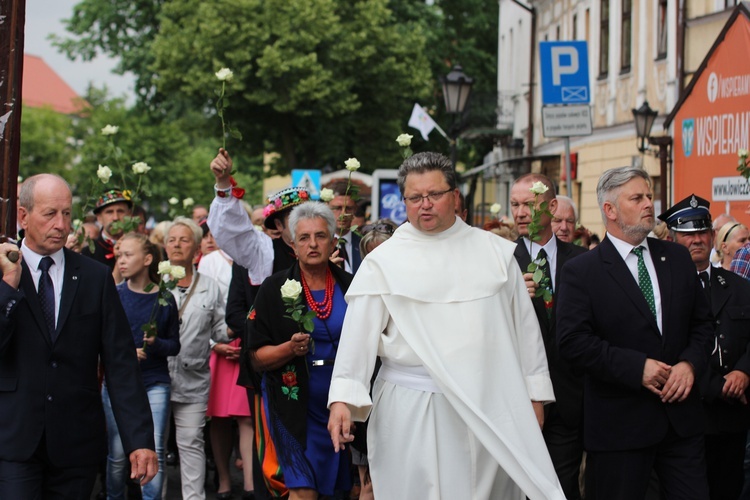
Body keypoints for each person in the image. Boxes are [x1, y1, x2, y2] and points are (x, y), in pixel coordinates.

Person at [327, 152, 564, 499]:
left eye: (434, 195)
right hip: (409, 405)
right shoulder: (383, 262)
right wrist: (343, 400)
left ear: (455, 196)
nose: (425, 205)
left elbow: (524, 332)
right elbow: (356, 338)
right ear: (403, 201)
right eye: (414, 198)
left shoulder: (496, 254)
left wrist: (535, 396)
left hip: (486, 401)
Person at [556, 166, 713, 500]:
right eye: (637, 197)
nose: (648, 205)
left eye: (649, 196)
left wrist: (689, 365)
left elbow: (702, 325)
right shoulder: (582, 271)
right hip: (619, 428)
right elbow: (572, 342)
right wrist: (637, 368)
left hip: (681, 423)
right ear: (610, 210)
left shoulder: (677, 257)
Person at [0, 174, 158, 498]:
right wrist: (7, 288)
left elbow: (120, 362)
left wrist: (139, 440)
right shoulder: (4, 271)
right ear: (23, 215)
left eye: (67, 213)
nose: (61, 224)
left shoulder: (94, 276)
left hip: (76, 442)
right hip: (14, 440)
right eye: (50, 214)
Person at [247, 202, 353, 499]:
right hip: (293, 403)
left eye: (320, 236)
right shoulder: (273, 289)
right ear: (293, 246)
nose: (313, 244)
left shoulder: (352, 286)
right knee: (303, 490)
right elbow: (254, 357)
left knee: (343, 490)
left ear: (333, 241)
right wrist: (288, 348)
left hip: (343, 400)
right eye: (304, 238)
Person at [660, 195, 750, 500]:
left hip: (732, 417)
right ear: (672, 238)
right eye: (688, 234)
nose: (697, 240)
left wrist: (743, 373)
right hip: (687, 413)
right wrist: (717, 386)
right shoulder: (663, 288)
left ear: (713, 237)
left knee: (729, 489)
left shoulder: (738, 286)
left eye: (702, 232)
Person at [510, 173, 587, 500]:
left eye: (529, 204)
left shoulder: (583, 262)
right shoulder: (502, 261)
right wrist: (511, 300)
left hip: (572, 400)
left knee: (564, 488)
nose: (521, 213)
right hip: (520, 398)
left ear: (551, 205)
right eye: (515, 204)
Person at [105, 232, 181, 500]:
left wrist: (155, 343)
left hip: (154, 380)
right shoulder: (113, 294)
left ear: (148, 259)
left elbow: (174, 345)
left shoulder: (164, 298)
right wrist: (126, 353)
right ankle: (114, 496)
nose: (121, 261)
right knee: (116, 454)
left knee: (155, 449)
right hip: (118, 383)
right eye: (119, 255)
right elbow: (101, 342)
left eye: (128, 255)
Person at [165, 217, 229, 500]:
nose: (177, 244)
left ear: (196, 248)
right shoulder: (155, 283)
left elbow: (218, 330)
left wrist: (241, 324)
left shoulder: (210, 286)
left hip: (193, 377)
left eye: (184, 239)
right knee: (153, 446)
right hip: (155, 377)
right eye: (171, 239)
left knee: (191, 442)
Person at [198, 229, 256, 500]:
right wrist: (214, 344)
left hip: (247, 341)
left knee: (246, 417)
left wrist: (247, 341)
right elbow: (202, 305)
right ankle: (222, 480)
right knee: (219, 417)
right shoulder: (209, 261)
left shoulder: (255, 257)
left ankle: (248, 483)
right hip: (218, 343)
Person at [82, 189, 133, 269]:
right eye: (109, 212)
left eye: (120, 211)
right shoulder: (88, 254)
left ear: (129, 215)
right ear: (99, 218)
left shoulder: (140, 249)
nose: (115, 218)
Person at [324, 181, 362, 274]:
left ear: (355, 209)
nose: (343, 214)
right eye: (337, 208)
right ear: (326, 207)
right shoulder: (319, 244)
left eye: (348, 208)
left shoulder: (362, 244)